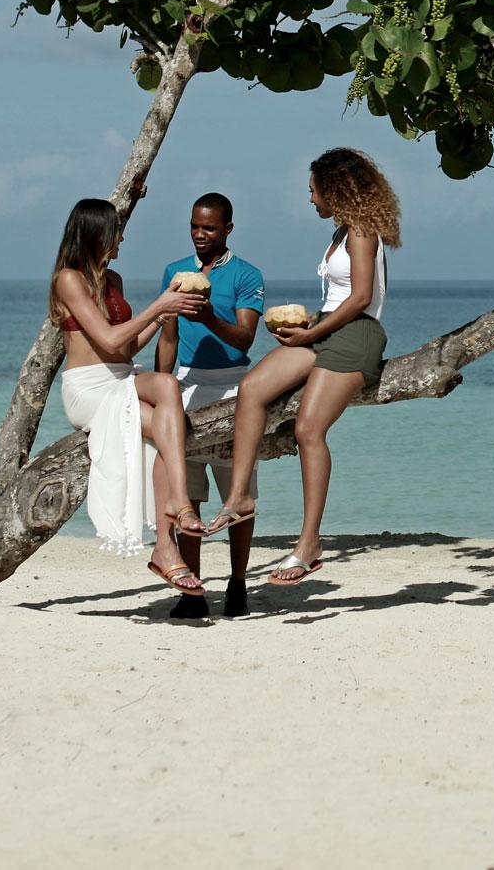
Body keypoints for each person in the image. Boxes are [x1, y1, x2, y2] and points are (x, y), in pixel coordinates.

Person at [205, 148, 400, 586]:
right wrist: (304, 324)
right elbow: (337, 299)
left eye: (313, 191)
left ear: (334, 189)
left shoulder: (363, 231)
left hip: (358, 333)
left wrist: (312, 334)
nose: (310, 199)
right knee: (253, 388)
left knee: (309, 430)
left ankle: (309, 545)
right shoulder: (339, 233)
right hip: (326, 328)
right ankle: (239, 497)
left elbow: (362, 297)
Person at [49, 197, 212, 597]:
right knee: (163, 427)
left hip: (120, 376)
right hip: (88, 388)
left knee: (167, 388)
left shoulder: (114, 281)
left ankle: (173, 519)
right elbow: (105, 339)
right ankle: (171, 527)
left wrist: (162, 317)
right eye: (115, 231)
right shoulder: (68, 279)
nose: (121, 237)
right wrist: (158, 303)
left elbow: (124, 350)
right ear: (95, 233)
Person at [154, 192, 266, 618]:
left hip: (235, 391)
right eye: (195, 227)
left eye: (210, 228)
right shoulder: (174, 271)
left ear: (228, 229)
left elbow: (245, 338)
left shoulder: (246, 275)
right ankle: (192, 590)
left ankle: (238, 584)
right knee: (189, 495)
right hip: (184, 387)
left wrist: (207, 320)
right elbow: (167, 336)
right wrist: (161, 386)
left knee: (239, 493)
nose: (201, 235)